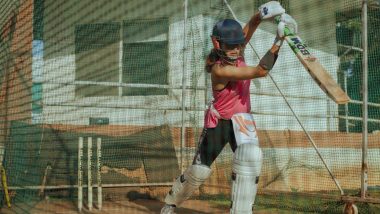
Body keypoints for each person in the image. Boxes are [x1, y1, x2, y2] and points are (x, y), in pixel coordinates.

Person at [161, 1, 297, 214]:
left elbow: (249, 27)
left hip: (242, 120)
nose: (236, 49)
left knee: (250, 161)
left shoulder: (235, 48)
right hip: (220, 123)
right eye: (231, 45)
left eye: (239, 45)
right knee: (200, 171)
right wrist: (278, 41)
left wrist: (262, 14)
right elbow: (260, 71)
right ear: (218, 44)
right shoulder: (220, 69)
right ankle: (170, 203)